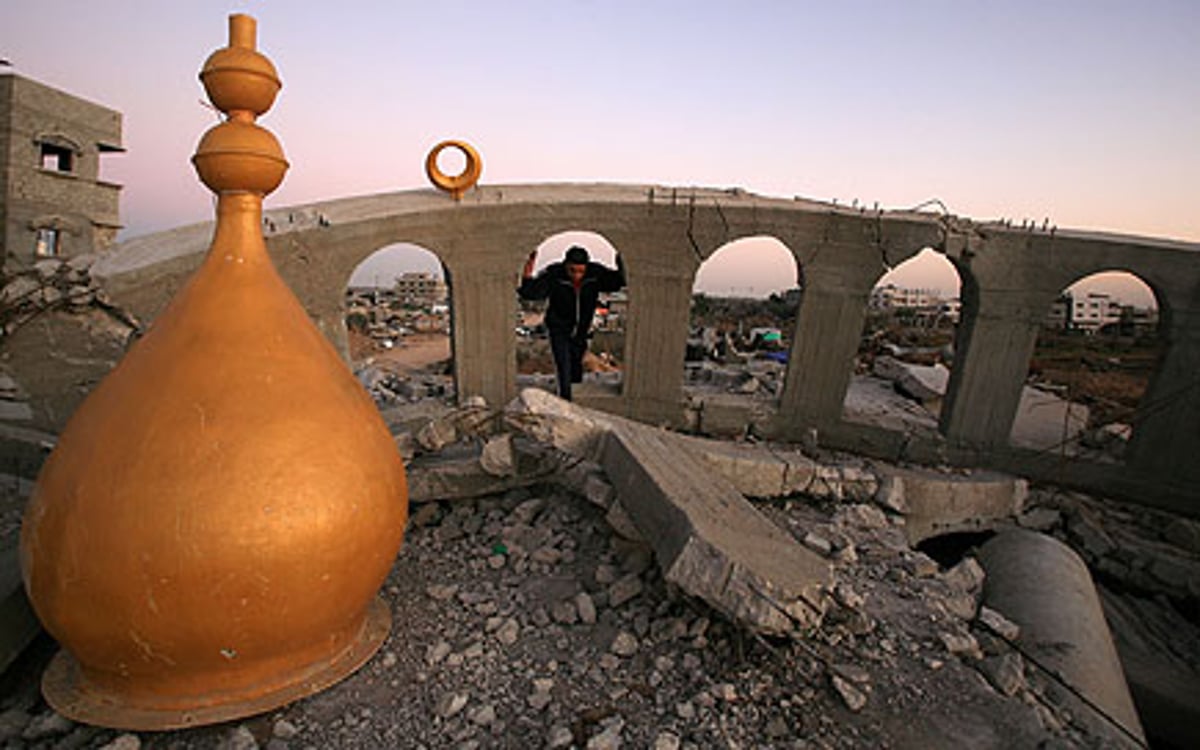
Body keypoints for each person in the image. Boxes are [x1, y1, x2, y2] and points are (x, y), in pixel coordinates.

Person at [518, 245, 625, 401]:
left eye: (580, 271)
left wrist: (621, 260)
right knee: (563, 366)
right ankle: (565, 401)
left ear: (586, 268)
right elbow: (531, 293)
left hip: (581, 330)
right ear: (565, 265)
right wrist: (528, 270)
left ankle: (575, 395)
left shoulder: (595, 275)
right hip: (559, 328)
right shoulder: (555, 275)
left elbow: (617, 281)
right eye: (572, 270)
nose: (576, 275)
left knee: (575, 368)